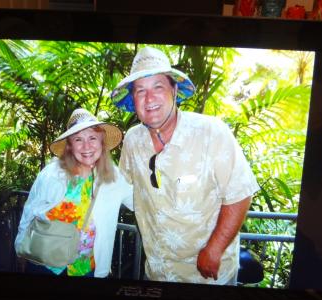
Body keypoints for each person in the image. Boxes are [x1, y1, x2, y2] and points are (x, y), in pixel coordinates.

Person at [111, 46, 259, 285]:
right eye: (140, 91)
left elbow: (240, 193)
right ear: (133, 99)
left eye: (158, 87)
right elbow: (124, 188)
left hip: (208, 276)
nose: (149, 98)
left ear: (174, 90)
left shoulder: (211, 132)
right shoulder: (132, 140)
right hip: (156, 271)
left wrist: (215, 248)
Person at [15, 108, 132, 278]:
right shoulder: (52, 173)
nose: (86, 146)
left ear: (102, 143)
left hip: (84, 268)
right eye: (78, 139)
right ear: (69, 146)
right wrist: (20, 248)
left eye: (92, 138)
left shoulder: (114, 177)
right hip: (44, 262)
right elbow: (30, 211)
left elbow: (139, 201)